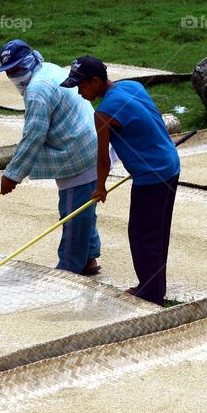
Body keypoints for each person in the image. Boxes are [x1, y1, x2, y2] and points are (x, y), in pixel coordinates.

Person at [60, 55, 179, 305]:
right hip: (170, 163)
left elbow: (103, 159)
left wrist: (99, 188)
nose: (80, 93)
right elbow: (147, 122)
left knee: (143, 235)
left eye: (81, 86)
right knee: (156, 233)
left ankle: (151, 294)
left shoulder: (103, 113)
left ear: (95, 81)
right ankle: (153, 287)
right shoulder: (132, 86)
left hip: (151, 177)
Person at [0, 39, 101, 276]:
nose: (14, 76)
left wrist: (12, 175)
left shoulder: (37, 91)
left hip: (78, 152)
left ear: (30, 62)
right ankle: (88, 258)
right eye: (9, 72)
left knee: (74, 213)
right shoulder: (48, 68)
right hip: (88, 140)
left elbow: (33, 136)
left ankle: (69, 271)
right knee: (83, 207)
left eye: (17, 69)